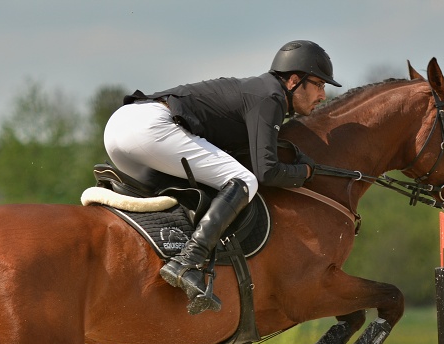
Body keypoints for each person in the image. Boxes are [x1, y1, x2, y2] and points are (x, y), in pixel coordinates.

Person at [103, 40, 341, 315]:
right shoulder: (270, 97)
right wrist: (304, 172)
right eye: (319, 85)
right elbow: (266, 172)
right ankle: (189, 261)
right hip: (148, 128)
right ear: (294, 81)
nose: (323, 95)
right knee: (245, 181)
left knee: (202, 187)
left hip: (119, 130)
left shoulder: (261, 92)